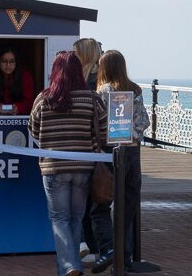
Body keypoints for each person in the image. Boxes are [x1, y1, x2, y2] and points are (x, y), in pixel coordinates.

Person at [28, 51, 108, 276]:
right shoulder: (92, 99)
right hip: (84, 167)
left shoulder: (44, 98)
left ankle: (69, 267)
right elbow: (103, 130)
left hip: (53, 167)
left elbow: (33, 128)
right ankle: (73, 266)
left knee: (59, 218)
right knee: (75, 218)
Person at [90, 49, 151, 273]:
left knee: (100, 205)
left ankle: (108, 250)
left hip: (110, 153)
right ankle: (124, 258)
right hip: (133, 153)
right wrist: (133, 134)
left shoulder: (102, 92)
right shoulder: (135, 90)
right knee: (127, 207)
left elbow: (97, 123)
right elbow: (144, 121)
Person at [72, 38, 103, 264]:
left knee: (81, 200)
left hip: (79, 144)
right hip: (95, 145)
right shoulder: (97, 79)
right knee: (94, 199)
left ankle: (86, 244)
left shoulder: (77, 80)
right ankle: (93, 247)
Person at [0, 45, 35, 115]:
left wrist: (19, 108)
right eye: (4, 61)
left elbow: (29, 102)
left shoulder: (25, 77)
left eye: (12, 61)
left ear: (16, 63)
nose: (8, 65)